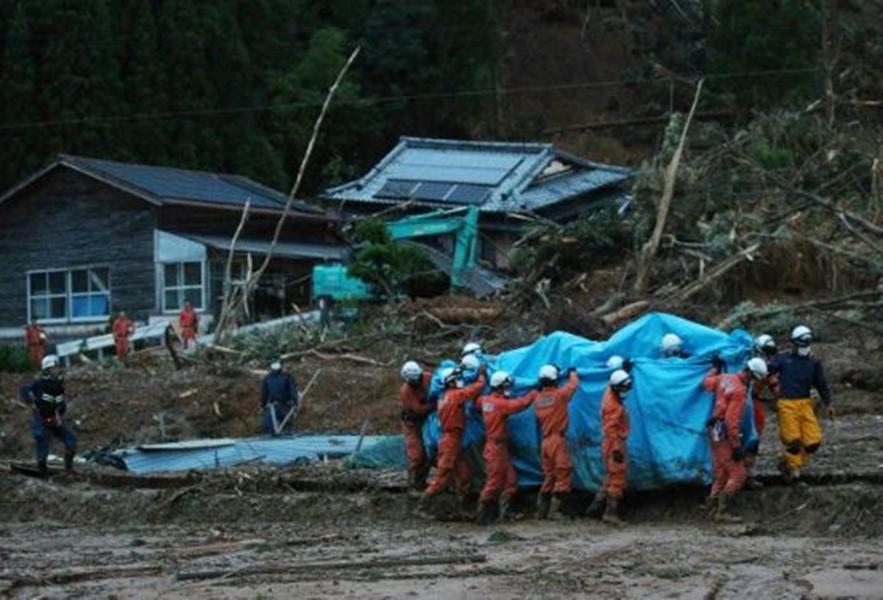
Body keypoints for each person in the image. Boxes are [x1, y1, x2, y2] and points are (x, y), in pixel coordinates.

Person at [703, 356, 770, 522]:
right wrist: (736, 447)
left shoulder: (724, 378)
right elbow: (731, 422)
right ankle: (722, 512)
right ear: (751, 375)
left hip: (713, 430)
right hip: (724, 433)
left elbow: (705, 383)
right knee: (738, 473)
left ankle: (711, 508)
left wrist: (714, 369)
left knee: (721, 472)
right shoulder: (740, 391)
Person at [767, 325, 834, 485]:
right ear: (795, 343)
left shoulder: (813, 362)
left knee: (813, 442)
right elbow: (766, 370)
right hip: (787, 403)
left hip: (805, 403)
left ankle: (787, 462)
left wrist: (829, 402)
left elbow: (821, 383)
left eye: (808, 343)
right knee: (793, 440)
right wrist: (771, 385)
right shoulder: (783, 359)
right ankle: (793, 471)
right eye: (802, 343)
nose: (805, 347)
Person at [420, 365, 487, 516]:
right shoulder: (454, 396)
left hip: (453, 439)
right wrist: (481, 376)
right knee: (442, 476)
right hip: (450, 440)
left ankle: (461, 507)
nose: (460, 381)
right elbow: (475, 389)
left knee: (463, 475)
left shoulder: (443, 396)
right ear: (450, 382)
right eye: (457, 379)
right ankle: (422, 505)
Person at [474, 371, 537, 525]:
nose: (509, 389)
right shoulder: (500, 404)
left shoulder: (485, 400)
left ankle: (503, 513)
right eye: (506, 386)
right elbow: (520, 404)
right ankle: (482, 515)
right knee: (494, 482)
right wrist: (534, 393)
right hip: (496, 448)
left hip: (498, 446)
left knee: (511, 481)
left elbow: (477, 402)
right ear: (500, 387)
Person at [533, 364, 580, 519]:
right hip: (557, 440)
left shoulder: (537, 398)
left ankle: (540, 511)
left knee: (549, 476)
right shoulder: (559, 395)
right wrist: (572, 371)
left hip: (545, 442)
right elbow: (573, 385)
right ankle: (555, 511)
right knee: (562, 473)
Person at [19, 355, 77, 477]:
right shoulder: (39, 383)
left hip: (55, 418)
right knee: (42, 437)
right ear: (47, 370)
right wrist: (31, 402)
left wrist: (60, 413)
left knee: (71, 441)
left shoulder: (59, 385)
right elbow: (24, 389)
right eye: (54, 368)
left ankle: (68, 467)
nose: (57, 370)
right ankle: (43, 472)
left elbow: (61, 402)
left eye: (57, 368)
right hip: (41, 416)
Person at [596, 369, 634, 526]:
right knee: (617, 478)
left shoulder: (609, 393)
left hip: (610, 443)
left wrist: (625, 370)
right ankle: (610, 514)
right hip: (614, 443)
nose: (627, 391)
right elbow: (610, 429)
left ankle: (595, 507)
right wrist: (617, 449)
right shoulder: (614, 406)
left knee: (610, 476)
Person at [744, 334, 780, 489]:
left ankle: (747, 474)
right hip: (739, 401)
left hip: (754, 402)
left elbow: (776, 388)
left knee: (753, 439)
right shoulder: (740, 360)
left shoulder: (768, 368)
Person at [399, 360, 434, 492]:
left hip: (427, 421)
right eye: (412, 381)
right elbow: (418, 409)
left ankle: (422, 482)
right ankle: (413, 484)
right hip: (412, 424)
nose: (415, 383)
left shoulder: (429, 378)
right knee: (417, 455)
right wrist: (437, 404)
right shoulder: (406, 391)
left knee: (430, 452)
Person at [261, 360, 299, 436]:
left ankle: (286, 432)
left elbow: (292, 389)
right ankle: (270, 434)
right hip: (273, 405)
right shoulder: (267, 378)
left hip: (285, 403)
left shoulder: (287, 376)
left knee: (286, 422)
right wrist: (264, 404)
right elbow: (264, 393)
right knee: (268, 423)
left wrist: (294, 401)